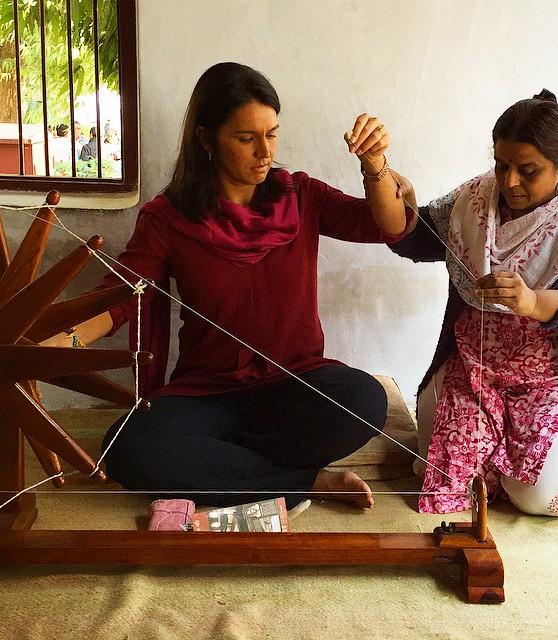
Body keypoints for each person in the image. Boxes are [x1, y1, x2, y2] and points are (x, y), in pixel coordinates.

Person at [43, 62, 415, 511]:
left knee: (364, 398)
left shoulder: (300, 195)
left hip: (295, 385)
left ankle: (229, 469)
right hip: (208, 394)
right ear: (205, 139)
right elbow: (122, 295)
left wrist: (375, 165)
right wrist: (53, 343)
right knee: (127, 446)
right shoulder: (168, 218)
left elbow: (386, 226)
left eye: (272, 134)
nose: (264, 151)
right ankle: (305, 481)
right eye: (246, 138)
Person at [389, 89, 558, 517]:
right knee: (451, 477)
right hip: (474, 368)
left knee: (537, 496)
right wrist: (392, 190)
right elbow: (415, 242)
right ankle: (497, 452)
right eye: (502, 166)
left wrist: (536, 301)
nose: (509, 183)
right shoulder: (475, 203)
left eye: (529, 171)